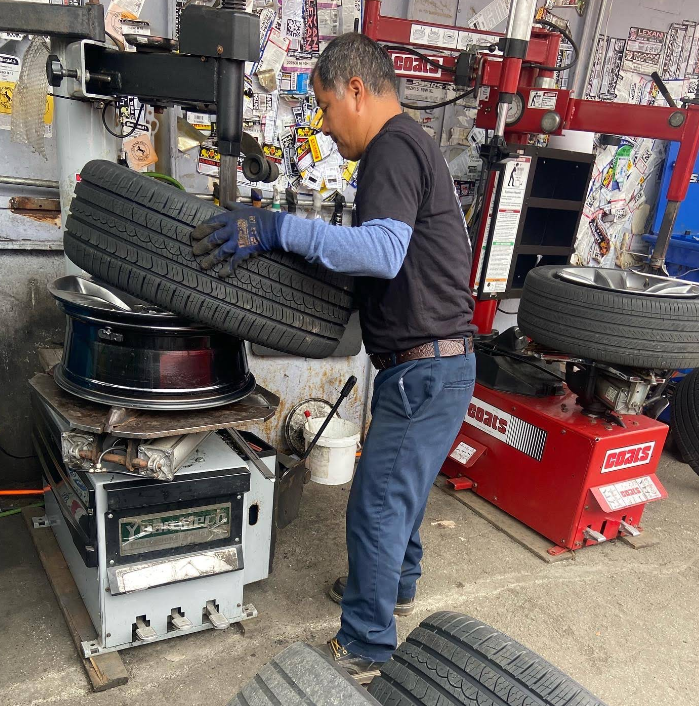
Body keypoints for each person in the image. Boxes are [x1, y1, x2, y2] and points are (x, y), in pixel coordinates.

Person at [192, 32, 477, 683]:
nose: (322, 124)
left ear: (356, 88)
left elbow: (380, 252)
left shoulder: (392, 147)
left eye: (323, 106)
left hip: (426, 369)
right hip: (441, 367)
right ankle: (395, 585)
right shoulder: (412, 147)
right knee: (396, 491)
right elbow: (385, 265)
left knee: (375, 501)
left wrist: (275, 227)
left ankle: (366, 645)